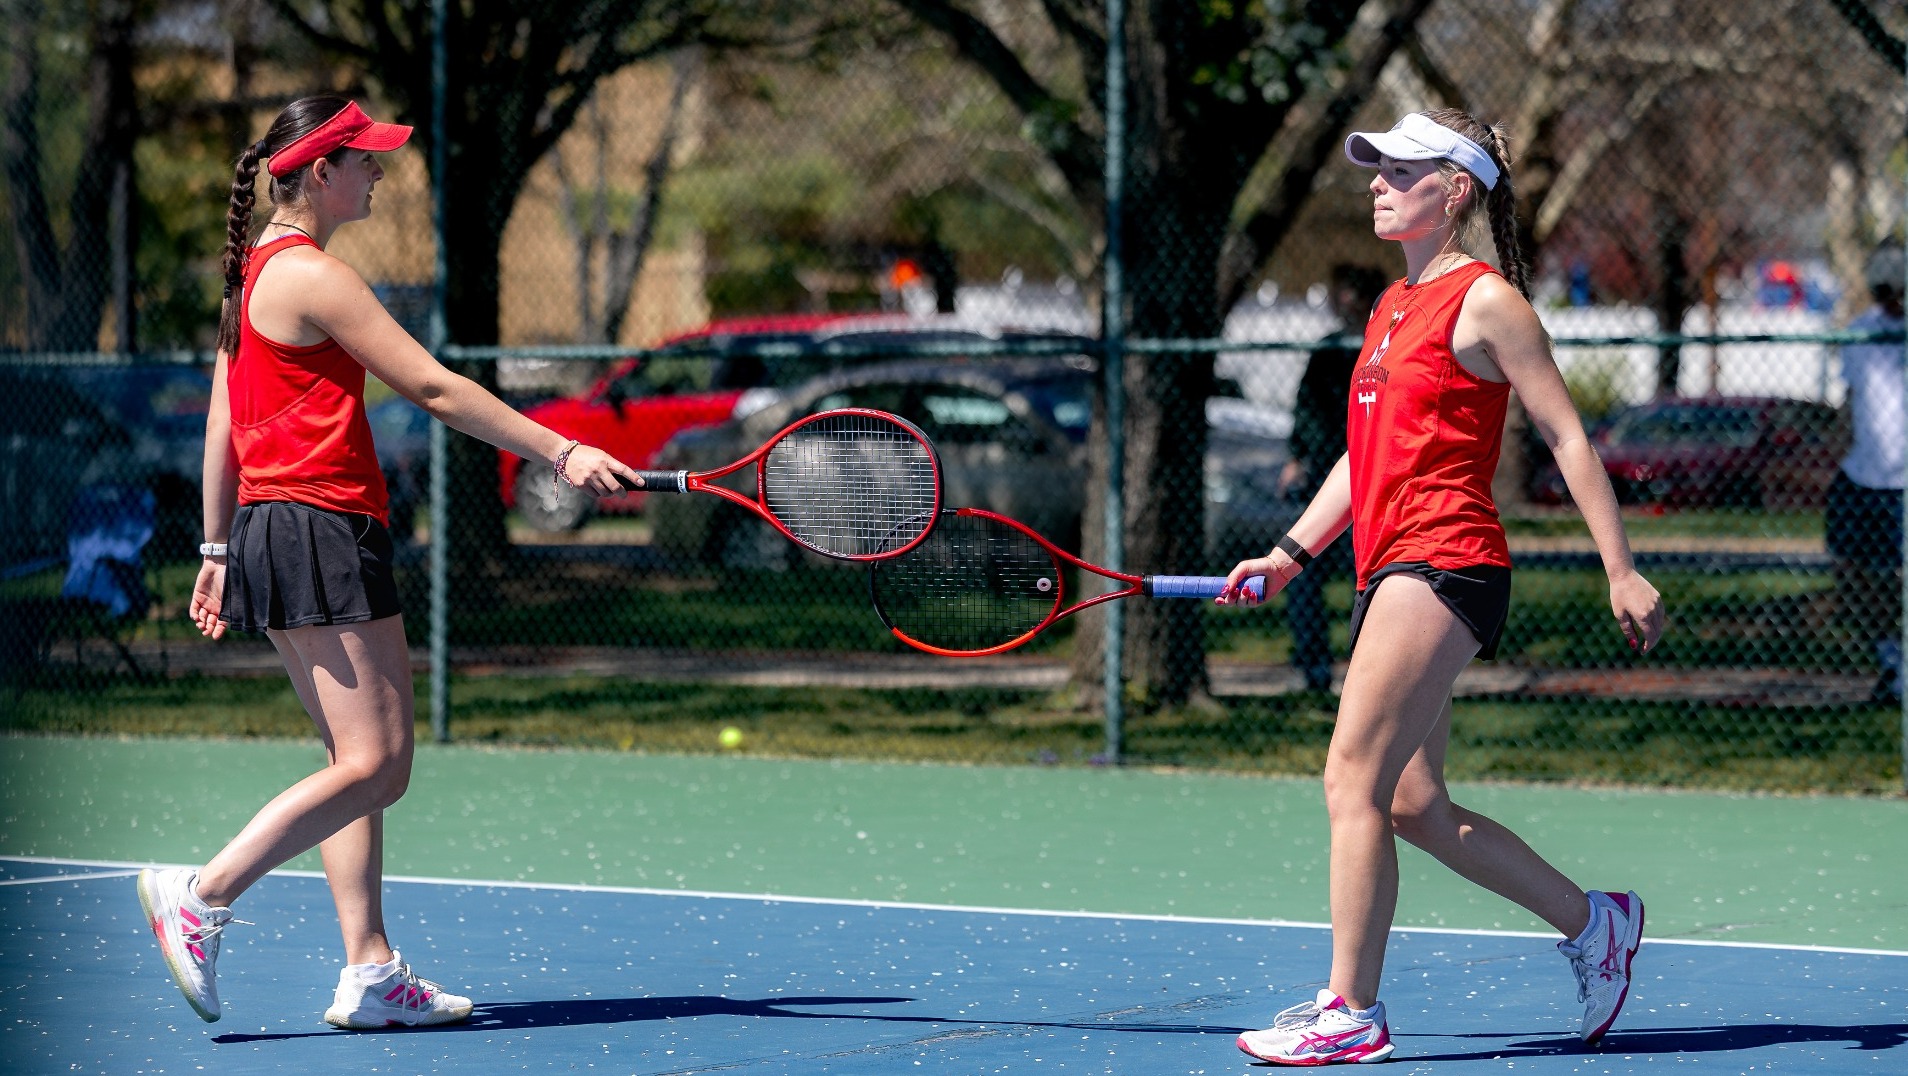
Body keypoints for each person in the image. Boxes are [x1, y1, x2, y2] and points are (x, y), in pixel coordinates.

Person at [136, 96, 641, 1028]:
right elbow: (434, 385)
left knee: (348, 757)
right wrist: (560, 451)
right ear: (320, 171)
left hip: (271, 528)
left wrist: (213, 547)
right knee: (381, 763)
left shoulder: (249, 277)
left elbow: (223, 422)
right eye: (366, 160)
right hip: (322, 528)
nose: (380, 173)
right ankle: (201, 896)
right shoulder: (314, 277)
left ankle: (368, 969)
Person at [1216, 109, 1666, 1065]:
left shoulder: (1488, 300)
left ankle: (1351, 1011)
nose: (1375, 182)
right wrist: (1290, 553)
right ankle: (1597, 926)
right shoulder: (1390, 307)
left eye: (1398, 169)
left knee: (1350, 777)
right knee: (1413, 804)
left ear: (1453, 189)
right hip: (1391, 563)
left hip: (1447, 557)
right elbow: (1362, 456)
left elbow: (1568, 437)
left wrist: (1619, 567)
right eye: (1373, 169)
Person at [1283, 265, 1388, 692]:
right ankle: (1314, 671)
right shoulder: (1328, 351)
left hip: (1374, 481)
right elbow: (1305, 406)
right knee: (1300, 574)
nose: (1346, 304)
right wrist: (1297, 455)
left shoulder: (1385, 346)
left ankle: (1375, 674)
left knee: (1375, 582)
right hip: (1327, 472)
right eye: (1341, 295)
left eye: (1355, 295)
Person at [1829, 244, 1905, 705]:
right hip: (1863, 477)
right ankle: (1890, 659)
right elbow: (1850, 402)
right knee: (1853, 568)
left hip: (1904, 482)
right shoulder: (1860, 333)